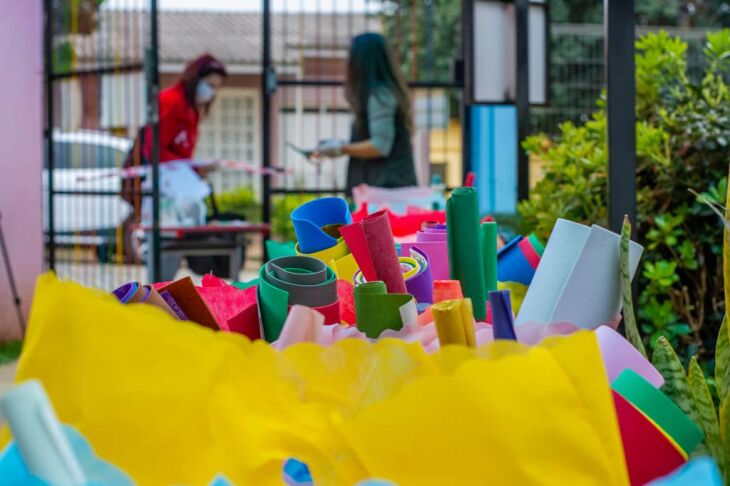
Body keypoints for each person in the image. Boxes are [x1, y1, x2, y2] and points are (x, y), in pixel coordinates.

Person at [121, 54, 227, 261]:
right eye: (209, 84)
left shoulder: (192, 110)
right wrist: (190, 170)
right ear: (195, 78)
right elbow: (154, 148)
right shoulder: (171, 102)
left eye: (216, 87)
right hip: (155, 180)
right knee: (164, 245)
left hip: (170, 182)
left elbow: (180, 154)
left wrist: (195, 170)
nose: (211, 91)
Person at [313, 32, 417, 193]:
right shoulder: (383, 93)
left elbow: (380, 146)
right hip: (388, 189)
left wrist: (341, 148)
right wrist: (338, 146)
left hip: (388, 191)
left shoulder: (380, 96)